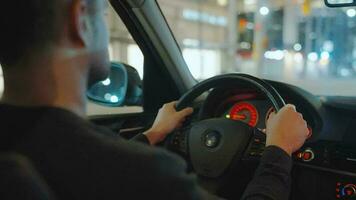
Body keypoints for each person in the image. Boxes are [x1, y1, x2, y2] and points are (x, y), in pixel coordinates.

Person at [0, 0, 309, 199]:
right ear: (79, 21)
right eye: (104, 16)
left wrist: (153, 134)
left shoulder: (21, 150)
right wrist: (279, 149)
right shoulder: (149, 177)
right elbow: (108, 169)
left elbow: (91, 168)